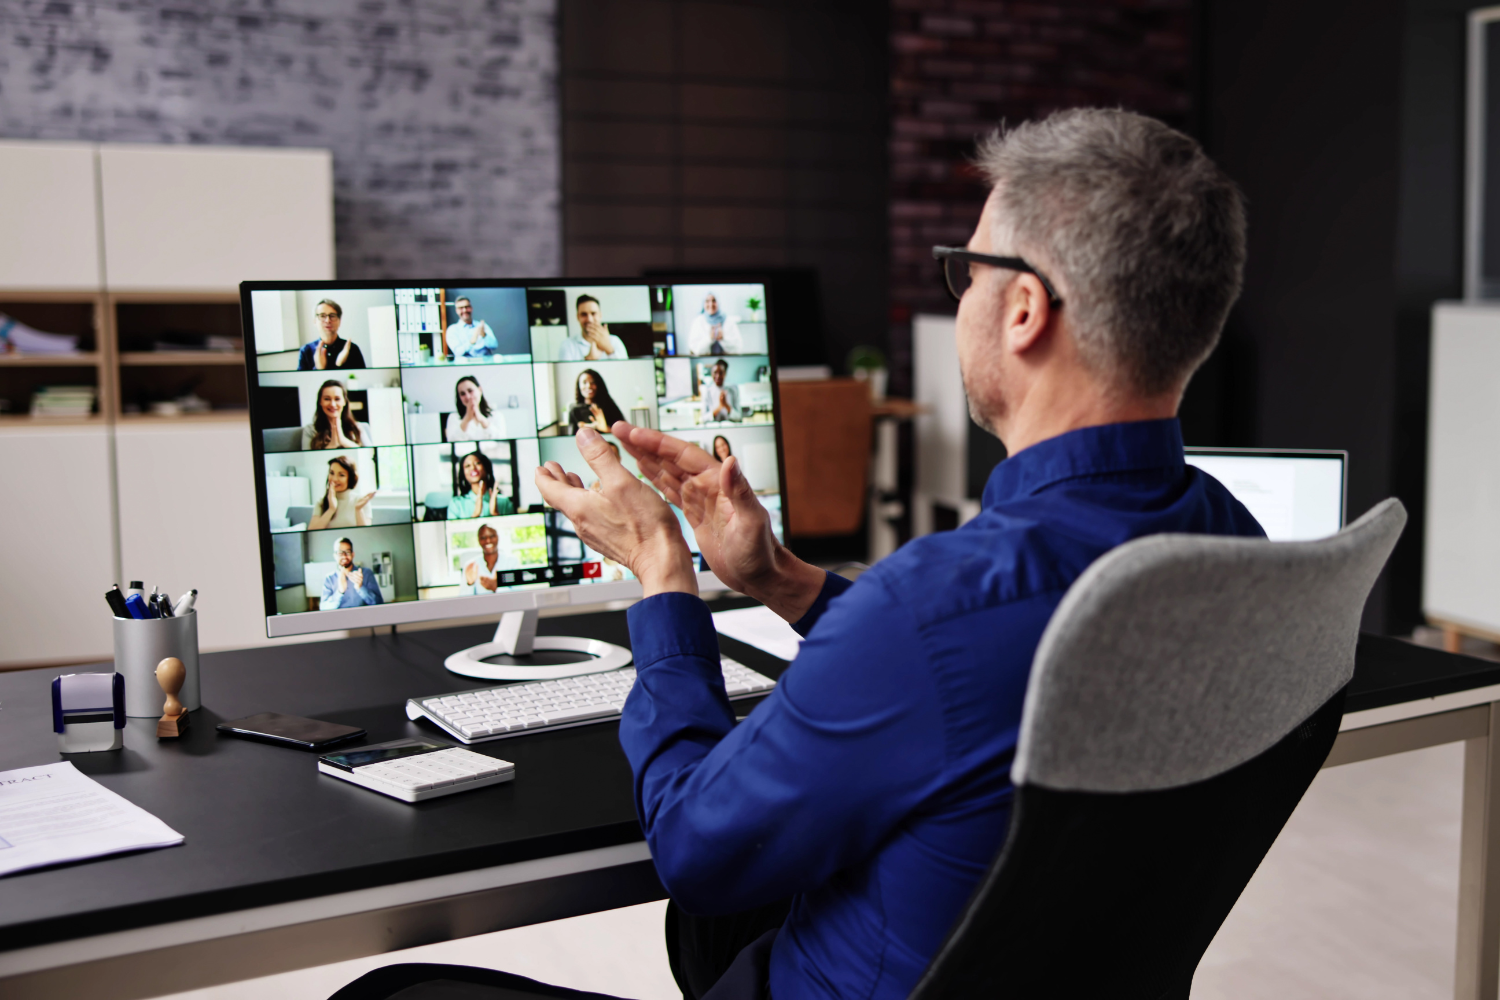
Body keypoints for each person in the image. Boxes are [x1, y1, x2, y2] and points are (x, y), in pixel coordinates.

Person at [533, 109, 1260, 1000]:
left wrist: (660, 571)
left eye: (966, 272)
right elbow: (1000, 679)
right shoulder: (1229, 539)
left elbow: (694, 849)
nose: (960, 299)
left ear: (1024, 309)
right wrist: (781, 579)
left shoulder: (934, 605)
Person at [297, 299, 367, 371]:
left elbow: (362, 378)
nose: (327, 320)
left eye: (332, 316)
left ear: (339, 321)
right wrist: (318, 369)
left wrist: (340, 365)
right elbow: (301, 381)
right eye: (322, 316)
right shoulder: (306, 350)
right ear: (315, 321)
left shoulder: (352, 349)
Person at [301, 380, 372, 450]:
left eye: (337, 399)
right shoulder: (309, 430)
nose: (332, 404)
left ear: (344, 402)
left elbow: (370, 454)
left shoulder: (357, 427)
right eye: (327, 399)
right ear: (320, 402)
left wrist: (343, 440)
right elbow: (307, 459)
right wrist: (333, 444)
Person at [307, 456, 373, 530]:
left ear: (351, 478)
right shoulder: (321, 501)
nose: (334, 479)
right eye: (332, 473)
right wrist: (331, 509)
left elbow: (365, 533)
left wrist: (358, 510)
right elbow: (311, 531)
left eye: (341, 475)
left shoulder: (361, 501)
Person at [557, 294, 629, 361]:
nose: (589, 319)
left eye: (593, 313)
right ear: (578, 317)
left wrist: (609, 349)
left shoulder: (615, 341)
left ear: (600, 315)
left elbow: (626, 370)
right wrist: (589, 359)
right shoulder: (567, 345)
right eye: (584, 314)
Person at [447, 449, 515, 520]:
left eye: (477, 463)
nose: (473, 467)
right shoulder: (456, 504)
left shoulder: (504, 502)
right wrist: (475, 514)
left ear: (486, 468)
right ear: (463, 474)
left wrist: (495, 513)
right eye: (467, 466)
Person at [319, 537, 384, 610]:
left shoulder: (367, 573)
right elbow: (323, 608)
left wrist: (360, 588)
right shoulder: (329, 578)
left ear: (353, 554)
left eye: (347, 552)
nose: (344, 556)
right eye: (340, 553)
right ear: (335, 556)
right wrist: (340, 591)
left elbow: (379, 603)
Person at [444, 375, 507, 441]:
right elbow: (451, 442)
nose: (468, 396)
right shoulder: (453, 417)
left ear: (480, 390)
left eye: (470, 390)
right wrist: (466, 419)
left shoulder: (497, 415)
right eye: (462, 394)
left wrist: (482, 420)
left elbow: (503, 440)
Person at [567, 368, 625, 433]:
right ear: (579, 385)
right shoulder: (574, 410)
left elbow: (623, 432)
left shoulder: (609, 406)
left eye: (593, 382)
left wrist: (606, 429)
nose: (589, 386)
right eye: (584, 382)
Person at [687, 292, 743, 356]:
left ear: (718, 302)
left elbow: (738, 348)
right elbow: (695, 350)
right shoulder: (697, 322)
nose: (711, 304)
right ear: (703, 303)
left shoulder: (729, 321)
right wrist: (709, 339)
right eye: (707, 301)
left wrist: (723, 339)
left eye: (714, 301)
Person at [462, 523, 504, 593]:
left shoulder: (512, 562)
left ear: (498, 537)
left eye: (492, 536)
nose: (488, 541)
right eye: (483, 538)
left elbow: (518, 594)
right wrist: (470, 583)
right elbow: (462, 599)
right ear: (478, 540)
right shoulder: (470, 566)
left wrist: (495, 587)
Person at [700, 359, 740, 423]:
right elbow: (703, 419)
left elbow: (738, 417)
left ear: (725, 373)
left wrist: (726, 405)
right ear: (711, 373)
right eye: (715, 372)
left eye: (721, 373)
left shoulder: (733, 390)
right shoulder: (707, 392)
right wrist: (719, 407)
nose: (718, 376)